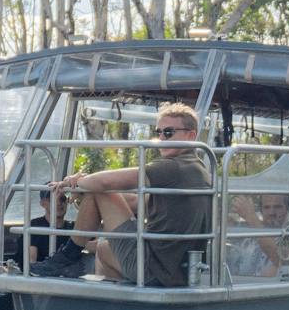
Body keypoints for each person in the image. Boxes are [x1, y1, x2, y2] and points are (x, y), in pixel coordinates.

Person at [33, 101, 210, 285]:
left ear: (191, 135)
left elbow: (104, 183)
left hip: (154, 269)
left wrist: (73, 182)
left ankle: (66, 257)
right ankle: (115, 299)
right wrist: (84, 193)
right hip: (175, 272)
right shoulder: (196, 169)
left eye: (169, 132)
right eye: (158, 132)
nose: (162, 139)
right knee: (104, 249)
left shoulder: (173, 167)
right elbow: (135, 202)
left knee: (98, 191)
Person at [227, 192, 289, 276]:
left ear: (288, 210)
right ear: (261, 210)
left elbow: (282, 259)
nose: (271, 212)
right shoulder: (247, 238)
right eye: (266, 207)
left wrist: (250, 217)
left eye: (278, 207)